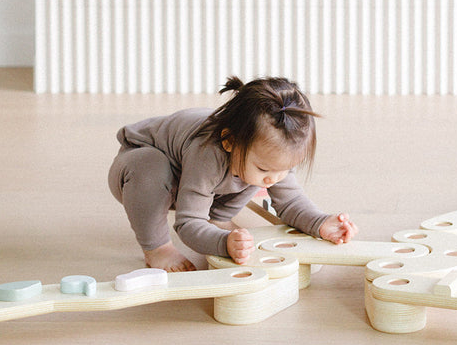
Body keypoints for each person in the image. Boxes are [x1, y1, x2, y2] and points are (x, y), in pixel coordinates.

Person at [108, 76, 358, 272]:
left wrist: (320, 222)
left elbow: (290, 202)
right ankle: (156, 248)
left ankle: (218, 217)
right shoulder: (208, 153)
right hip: (139, 165)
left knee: (249, 177)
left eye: (286, 168)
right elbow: (187, 223)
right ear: (228, 141)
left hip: (195, 175)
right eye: (265, 168)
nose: (274, 179)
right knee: (152, 169)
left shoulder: (264, 159)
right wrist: (222, 244)